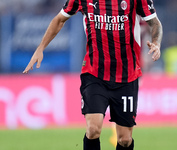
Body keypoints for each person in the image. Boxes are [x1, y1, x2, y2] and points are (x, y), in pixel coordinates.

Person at [23, 0, 163, 150]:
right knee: (93, 129)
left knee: (125, 139)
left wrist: (156, 42)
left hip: (126, 76)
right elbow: (59, 19)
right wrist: (40, 48)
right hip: (95, 73)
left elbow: (155, 23)